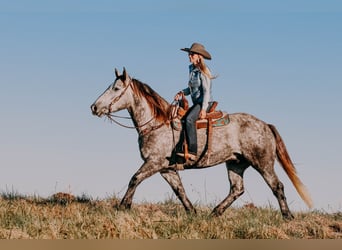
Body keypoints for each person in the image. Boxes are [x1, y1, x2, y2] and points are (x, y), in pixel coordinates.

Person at [174, 42, 215, 161]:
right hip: (197, 103)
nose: (189, 56)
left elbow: (206, 91)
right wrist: (182, 92)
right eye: (189, 54)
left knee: (189, 119)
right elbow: (192, 88)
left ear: (199, 56)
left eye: (192, 54)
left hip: (204, 103)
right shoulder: (191, 69)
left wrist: (203, 109)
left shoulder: (204, 70)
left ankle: (193, 150)